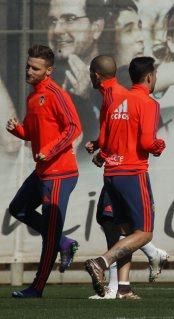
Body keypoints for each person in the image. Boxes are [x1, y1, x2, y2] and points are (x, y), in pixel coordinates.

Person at [85, 55, 169, 299]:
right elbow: (146, 142)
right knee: (144, 233)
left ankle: (123, 288)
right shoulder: (149, 103)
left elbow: (107, 141)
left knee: (127, 231)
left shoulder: (116, 100)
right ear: (150, 77)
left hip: (111, 173)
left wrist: (102, 154)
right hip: (133, 172)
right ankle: (101, 263)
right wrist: (158, 145)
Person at [6, 45, 82, 298]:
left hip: (60, 173)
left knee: (48, 235)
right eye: (28, 66)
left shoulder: (55, 93)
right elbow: (30, 132)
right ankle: (64, 242)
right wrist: (18, 130)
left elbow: (74, 127)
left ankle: (36, 289)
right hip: (42, 171)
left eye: (35, 68)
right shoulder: (32, 96)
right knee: (18, 208)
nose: (29, 70)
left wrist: (49, 150)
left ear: (48, 71)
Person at [47, 0, 106, 153]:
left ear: (96, 29)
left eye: (70, 19)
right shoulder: (40, 80)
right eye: (53, 21)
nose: (57, 30)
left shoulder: (119, 80)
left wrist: (86, 98)